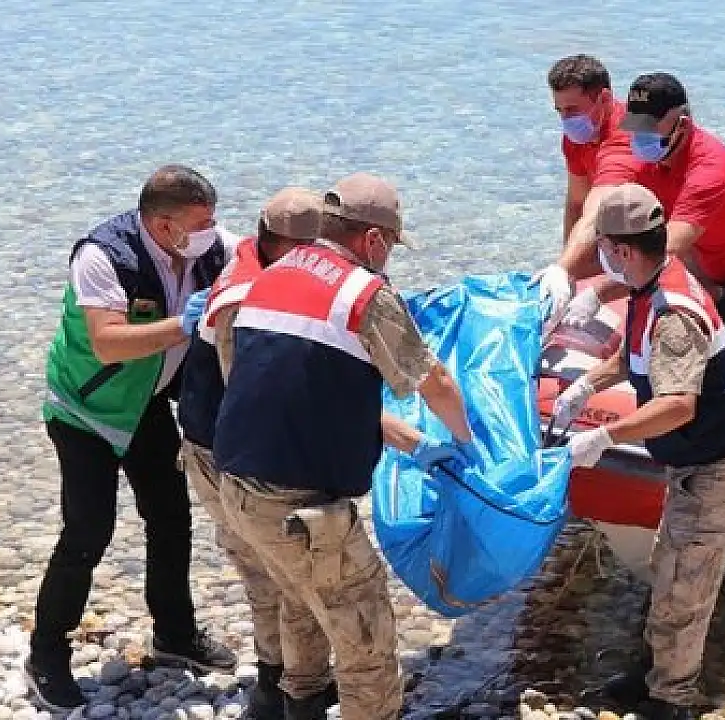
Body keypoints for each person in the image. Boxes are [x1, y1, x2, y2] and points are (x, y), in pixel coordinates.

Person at [212, 172, 475, 720]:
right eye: (391, 246)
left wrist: (411, 442)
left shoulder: (272, 274)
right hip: (301, 505)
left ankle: (301, 704)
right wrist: (469, 445)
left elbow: (289, 384)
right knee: (367, 638)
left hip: (235, 487)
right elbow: (436, 383)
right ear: (373, 239)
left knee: (300, 599)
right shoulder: (365, 294)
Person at [550, 184, 725, 720]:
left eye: (602, 247)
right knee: (665, 568)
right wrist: (588, 385)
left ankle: (673, 698)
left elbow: (676, 406)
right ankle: (652, 671)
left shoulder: (673, 315)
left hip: (718, 467)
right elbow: (636, 355)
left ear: (623, 250)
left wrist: (604, 437)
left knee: (684, 587)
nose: (600, 257)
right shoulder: (652, 283)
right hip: (695, 463)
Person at [30, 165, 237, 711]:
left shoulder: (211, 247)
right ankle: (46, 654)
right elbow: (108, 342)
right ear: (164, 225)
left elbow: (263, 264)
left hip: (146, 403)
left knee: (171, 519)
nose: (212, 232)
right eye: (201, 223)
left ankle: (174, 634)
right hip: (85, 411)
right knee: (88, 532)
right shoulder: (101, 257)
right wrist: (184, 324)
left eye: (213, 221)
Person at [176, 188, 336, 720]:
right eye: (309, 250)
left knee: (277, 572)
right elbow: (249, 397)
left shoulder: (254, 259)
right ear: (280, 244)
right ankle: (283, 689)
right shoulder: (245, 297)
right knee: (276, 573)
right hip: (225, 452)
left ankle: (291, 680)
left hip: (221, 438)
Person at [545, 72, 725, 372]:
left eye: (649, 128)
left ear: (682, 125)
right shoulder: (651, 160)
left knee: (699, 354)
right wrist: (564, 272)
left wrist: (598, 293)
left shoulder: (709, 172)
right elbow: (602, 212)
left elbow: (660, 251)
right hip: (720, 269)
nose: (639, 137)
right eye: (635, 127)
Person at [534, 54, 633, 333]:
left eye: (572, 110)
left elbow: (595, 213)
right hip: (621, 231)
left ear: (604, 99)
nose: (566, 120)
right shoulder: (576, 138)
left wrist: (564, 267)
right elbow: (577, 203)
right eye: (559, 111)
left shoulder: (626, 137)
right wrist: (567, 269)